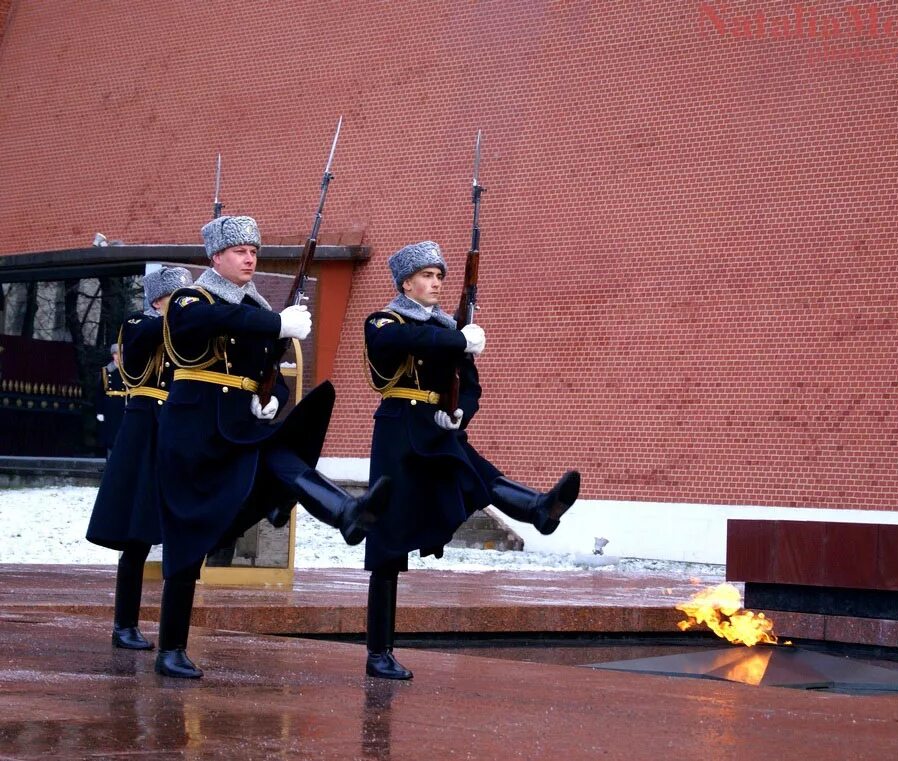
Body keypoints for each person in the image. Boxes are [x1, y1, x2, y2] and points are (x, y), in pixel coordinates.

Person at [155, 215, 390, 679]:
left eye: (254, 251)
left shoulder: (258, 309)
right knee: (188, 537)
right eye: (239, 250)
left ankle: (345, 510)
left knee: (281, 454)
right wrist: (275, 322)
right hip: (194, 433)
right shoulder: (191, 297)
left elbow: (271, 377)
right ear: (215, 257)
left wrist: (271, 400)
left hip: (240, 428)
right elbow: (205, 322)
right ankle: (170, 648)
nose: (249, 258)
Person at [362, 241, 580, 679]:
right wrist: (457, 338)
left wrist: (461, 410)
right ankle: (378, 653)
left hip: (437, 428)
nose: (435, 283)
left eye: (439, 276)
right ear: (406, 282)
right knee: (386, 542)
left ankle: (537, 507)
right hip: (399, 429)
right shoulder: (386, 319)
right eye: (427, 275)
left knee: (471, 471)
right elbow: (401, 339)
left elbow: (471, 386)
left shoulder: (450, 327)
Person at [86, 266, 194, 651]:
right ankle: (124, 624)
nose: (184, 305)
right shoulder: (138, 322)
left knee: (183, 532)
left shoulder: (186, 328)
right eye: (175, 297)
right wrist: (179, 316)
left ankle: (174, 629)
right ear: (157, 300)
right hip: (144, 428)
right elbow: (145, 337)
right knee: (137, 536)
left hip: (177, 428)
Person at [95, 343, 126, 455]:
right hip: (109, 406)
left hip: (123, 405)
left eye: (121, 354)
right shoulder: (106, 371)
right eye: (116, 354)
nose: (118, 356)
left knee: (122, 435)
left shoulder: (128, 372)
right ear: (113, 355)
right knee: (110, 436)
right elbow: (99, 393)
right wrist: (99, 411)